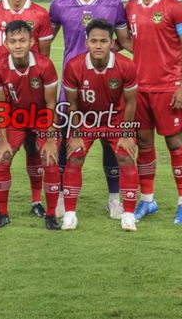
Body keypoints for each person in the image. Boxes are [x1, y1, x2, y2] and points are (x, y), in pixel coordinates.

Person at [49, 0, 132, 219]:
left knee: (112, 145)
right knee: (66, 142)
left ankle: (114, 199)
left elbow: (123, 41)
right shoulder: (59, 4)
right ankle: (63, 195)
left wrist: (102, 56)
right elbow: (43, 44)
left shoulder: (113, 4)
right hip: (70, 88)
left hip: (107, 87)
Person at [125, 0, 182, 225]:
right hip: (139, 90)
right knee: (144, 144)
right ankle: (147, 200)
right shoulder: (130, 6)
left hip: (168, 88)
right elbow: (128, 42)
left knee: (174, 143)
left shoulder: (174, 7)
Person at [0, 0, 54, 218]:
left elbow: (44, 55)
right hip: (0, 91)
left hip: (30, 90)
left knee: (33, 146)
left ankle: (35, 201)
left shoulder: (41, 15)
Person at [62, 18, 139, 231]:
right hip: (86, 120)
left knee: (125, 155)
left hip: (115, 120)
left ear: (111, 43)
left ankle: (129, 214)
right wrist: (76, 133)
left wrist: (125, 134)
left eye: (103, 41)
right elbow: (72, 103)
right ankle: (69, 214)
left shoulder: (126, 66)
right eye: (93, 41)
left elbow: (131, 102)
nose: (98, 45)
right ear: (86, 42)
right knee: (75, 156)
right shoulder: (74, 66)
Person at [0, 21, 61, 230]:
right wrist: (2, 140)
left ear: (31, 42)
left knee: (49, 159)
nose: (18, 45)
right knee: (3, 158)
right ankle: (2, 214)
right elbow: (0, 105)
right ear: (6, 43)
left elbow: (50, 104)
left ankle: (50, 214)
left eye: (22, 40)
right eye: (13, 41)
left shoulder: (45, 65)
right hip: (14, 118)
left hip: (41, 117)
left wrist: (49, 140)